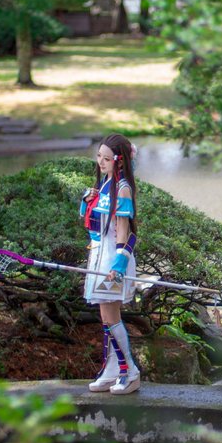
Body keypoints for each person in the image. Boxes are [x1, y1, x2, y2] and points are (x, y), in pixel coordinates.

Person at [80, 134, 141, 394]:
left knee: (110, 316)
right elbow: (93, 226)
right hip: (97, 256)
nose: (101, 162)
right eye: (99, 157)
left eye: (106, 158)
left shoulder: (123, 187)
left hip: (113, 261)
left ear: (119, 161)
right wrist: (85, 203)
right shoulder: (104, 184)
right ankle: (112, 369)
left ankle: (130, 371)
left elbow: (124, 232)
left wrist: (117, 266)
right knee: (105, 317)